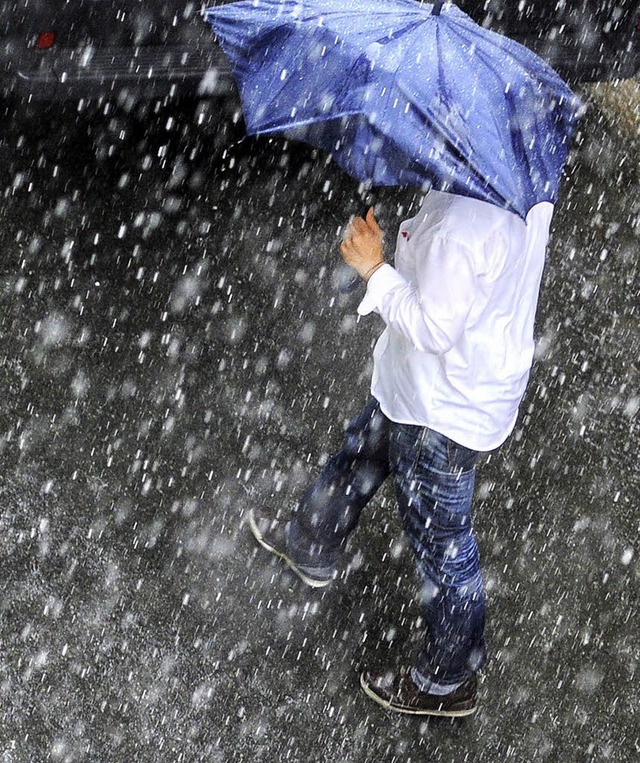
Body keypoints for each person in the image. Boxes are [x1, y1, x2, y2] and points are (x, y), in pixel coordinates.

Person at [249, 189, 554, 717]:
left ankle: (445, 682)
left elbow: (433, 328)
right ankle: (311, 544)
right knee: (360, 455)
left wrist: (375, 269)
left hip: (440, 409)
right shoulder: (517, 189)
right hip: (430, 386)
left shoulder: (459, 225)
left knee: (444, 548)